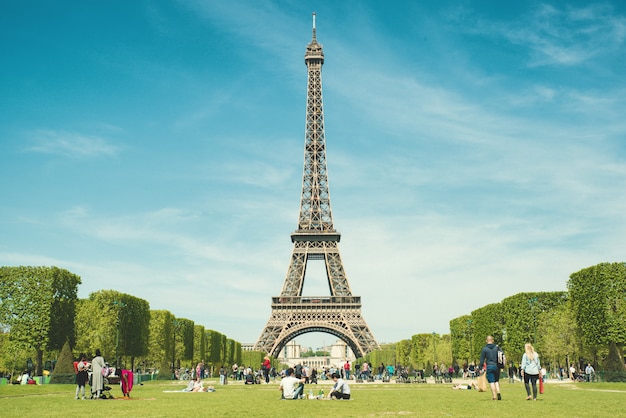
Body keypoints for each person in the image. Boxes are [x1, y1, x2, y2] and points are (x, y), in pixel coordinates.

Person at [479, 335, 502, 400]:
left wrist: (480, 368)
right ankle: (498, 392)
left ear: (486, 341)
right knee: (496, 380)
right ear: (493, 340)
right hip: (497, 366)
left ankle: (494, 396)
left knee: (491, 381)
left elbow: (482, 360)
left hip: (489, 366)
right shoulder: (497, 348)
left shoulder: (484, 349)